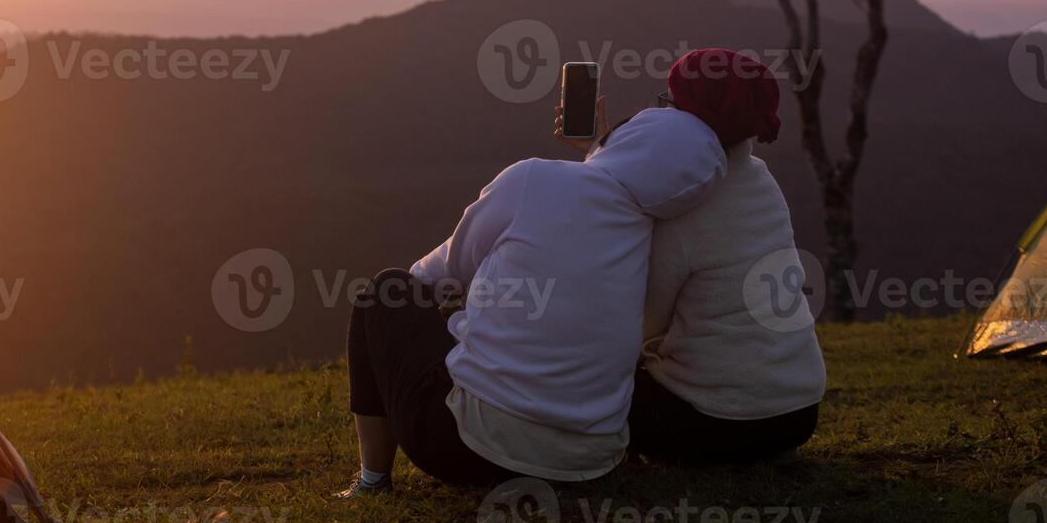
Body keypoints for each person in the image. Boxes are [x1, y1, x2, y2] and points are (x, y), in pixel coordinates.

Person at [337, 105, 728, 497]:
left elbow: (445, 269)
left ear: (628, 139)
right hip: (589, 466)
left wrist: (414, 309)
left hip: (466, 450)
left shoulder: (534, 179)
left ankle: (372, 481)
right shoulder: (653, 233)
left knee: (385, 291)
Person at [629, 48, 827, 463]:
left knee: (582, 375)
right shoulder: (760, 180)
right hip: (798, 412)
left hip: (719, 421)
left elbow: (643, 321)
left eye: (668, 103)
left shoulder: (683, 204)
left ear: (689, 121)